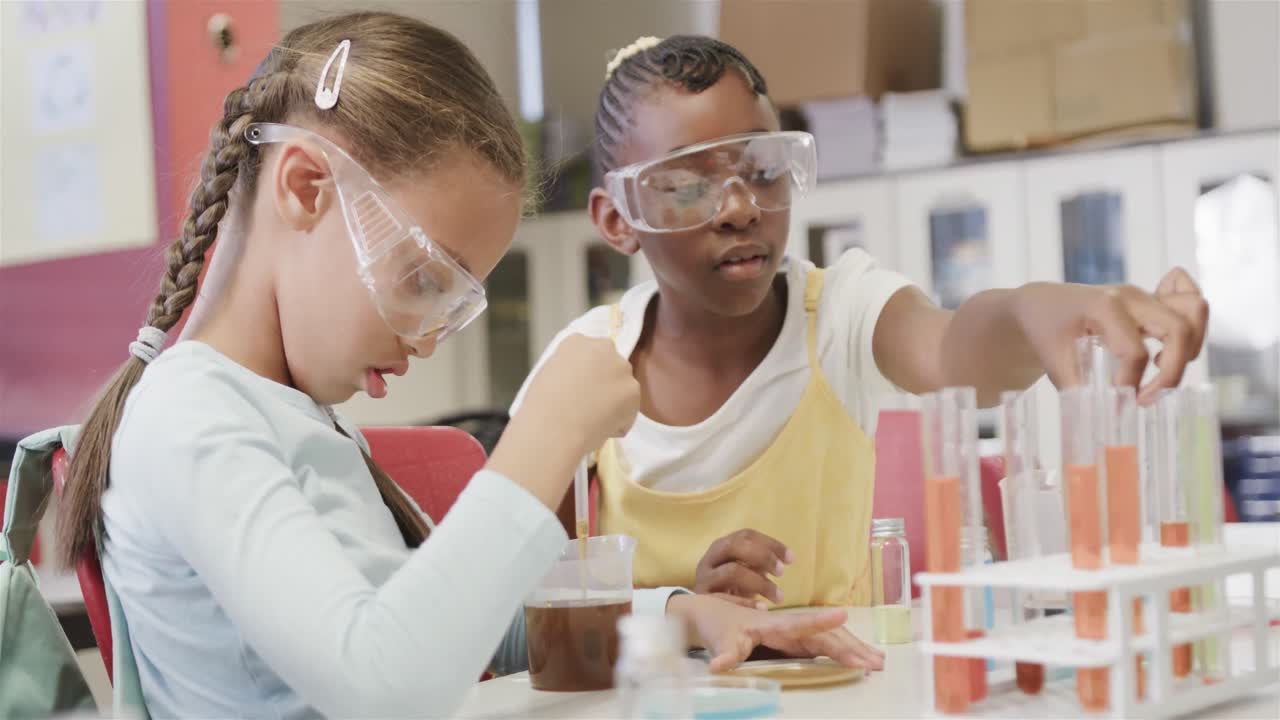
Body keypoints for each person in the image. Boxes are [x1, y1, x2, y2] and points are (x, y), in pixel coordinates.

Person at [54, 16, 880, 719]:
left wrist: (684, 615)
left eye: (453, 304)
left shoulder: (300, 421)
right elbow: (381, 685)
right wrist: (545, 435)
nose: (428, 338)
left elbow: (477, 635)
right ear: (306, 188)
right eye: (422, 281)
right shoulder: (191, 418)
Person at [513, 35, 1208, 610]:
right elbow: (528, 600)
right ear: (617, 219)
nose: (740, 208)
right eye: (688, 185)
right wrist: (682, 609)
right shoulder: (588, 363)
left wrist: (1029, 309)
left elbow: (952, 352)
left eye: (764, 169)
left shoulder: (841, 311)